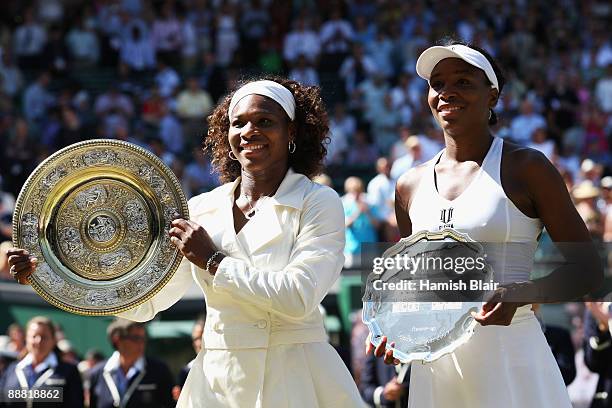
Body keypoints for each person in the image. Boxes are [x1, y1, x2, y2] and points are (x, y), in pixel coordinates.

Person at [9, 78, 364, 407]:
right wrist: (55, 273)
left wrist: (213, 262)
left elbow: (298, 296)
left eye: (265, 122)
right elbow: (149, 301)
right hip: (215, 384)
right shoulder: (201, 208)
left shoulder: (319, 202)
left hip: (295, 377)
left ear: (293, 131)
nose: (249, 131)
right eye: (238, 123)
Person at [368, 41, 602, 407]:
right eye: (438, 83)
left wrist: (523, 292)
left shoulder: (528, 167)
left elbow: (588, 271)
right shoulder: (408, 185)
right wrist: (396, 332)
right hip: (438, 375)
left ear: (492, 96)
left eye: (463, 81)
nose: (447, 92)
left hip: (514, 362)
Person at [88, 318, 174, 408]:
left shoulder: (159, 370)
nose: (141, 343)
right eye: (136, 338)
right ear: (117, 339)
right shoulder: (98, 373)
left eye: (143, 338)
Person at [0, 316, 84, 407]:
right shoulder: (12, 370)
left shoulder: (68, 372)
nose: (38, 341)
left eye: (44, 337)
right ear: (26, 338)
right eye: (34, 336)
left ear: (53, 340)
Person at [172, 317, 205, 401]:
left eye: (202, 337)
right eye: (196, 339)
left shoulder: (222, 366)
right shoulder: (186, 371)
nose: (199, 343)